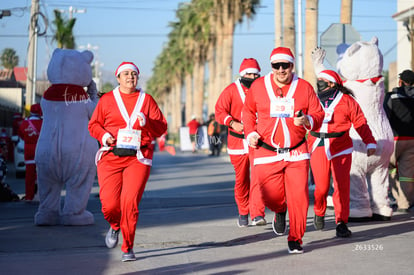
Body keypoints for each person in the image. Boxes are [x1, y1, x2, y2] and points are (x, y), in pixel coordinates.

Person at [242, 47, 325, 254]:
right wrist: (250, 133)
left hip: (297, 152)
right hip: (266, 151)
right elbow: (248, 112)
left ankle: (296, 238)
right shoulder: (258, 86)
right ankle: (280, 210)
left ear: (292, 66)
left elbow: (318, 112)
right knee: (270, 197)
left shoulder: (304, 87)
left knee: (299, 197)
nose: (281, 70)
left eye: (285, 65)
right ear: (271, 67)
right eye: (276, 66)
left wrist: (308, 120)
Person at [88, 62, 167, 262]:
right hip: (111, 156)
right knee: (109, 205)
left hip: (138, 158)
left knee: (129, 202)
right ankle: (115, 226)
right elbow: (94, 124)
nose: (130, 77)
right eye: (126, 74)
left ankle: (128, 247)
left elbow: (162, 127)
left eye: (134, 74)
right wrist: (104, 136)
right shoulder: (107, 100)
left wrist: (147, 122)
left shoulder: (146, 100)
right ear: (118, 78)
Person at [308, 70, 377, 238]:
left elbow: (360, 122)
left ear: (332, 83)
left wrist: (370, 141)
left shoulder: (347, 101)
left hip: (341, 146)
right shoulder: (312, 100)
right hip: (318, 144)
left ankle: (341, 222)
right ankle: (319, 209)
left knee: (341, 186)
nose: (319, 82)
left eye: (322, 80)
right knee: (322, 187)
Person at [215, 58, 266, 227]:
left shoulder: (262, 89)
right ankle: (243, 211)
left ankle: (257, 213)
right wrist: (231, 122)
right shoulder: (231, 90)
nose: (252, 77)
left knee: (258, 177)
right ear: (242, 74)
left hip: (258, 140)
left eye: (255, 74)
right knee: (242, 179)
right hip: (237, 142)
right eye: (249, 74)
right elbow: (219, 111)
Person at [384, 69, 414, 212]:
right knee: (407, 174)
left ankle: (390, 199)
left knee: (388, 168)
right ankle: (405, 204)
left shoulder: (392, 96)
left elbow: (384, 116)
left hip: (394, 139)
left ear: (400, 81)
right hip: (412, 140)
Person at [18, 103, 43, 201]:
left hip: (28, 151)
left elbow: (20, 134)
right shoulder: (43, 123)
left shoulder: (25, 123)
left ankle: (29, 196)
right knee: (42, 174)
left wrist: (28, 140)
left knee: (29, 175)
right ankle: (42, 196)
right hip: (40, 151)